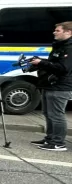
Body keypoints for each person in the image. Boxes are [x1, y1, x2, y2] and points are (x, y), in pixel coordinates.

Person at [29, 20, 72, 152]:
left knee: (56, 114)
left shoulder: (69, 48)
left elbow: (64, 68)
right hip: (50, 84)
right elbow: (54, 63)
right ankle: (50, 138)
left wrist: (41, 63)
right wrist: (41, 62)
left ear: (68, 32)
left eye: (58, 30)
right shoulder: (59, 46)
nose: (54, 32)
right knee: (48, 113)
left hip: (61, 86)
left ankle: (58, 143)